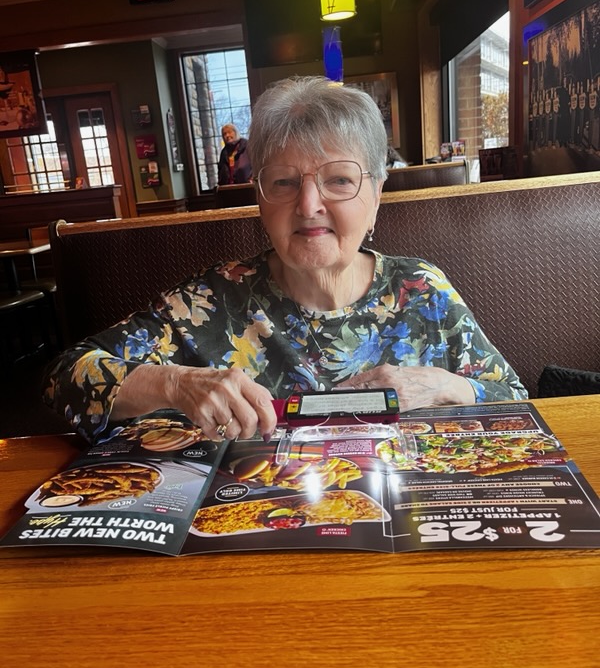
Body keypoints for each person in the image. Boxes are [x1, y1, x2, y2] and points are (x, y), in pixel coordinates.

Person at [43, 76, 527, 445]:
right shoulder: (212, 300)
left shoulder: (421, 288)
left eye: (339, 180)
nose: (309, 204)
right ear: (260, 200)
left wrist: (443, 385)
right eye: (283, 182)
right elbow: (65, 378)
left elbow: (516, 402)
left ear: (377, 194)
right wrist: (177, 384)